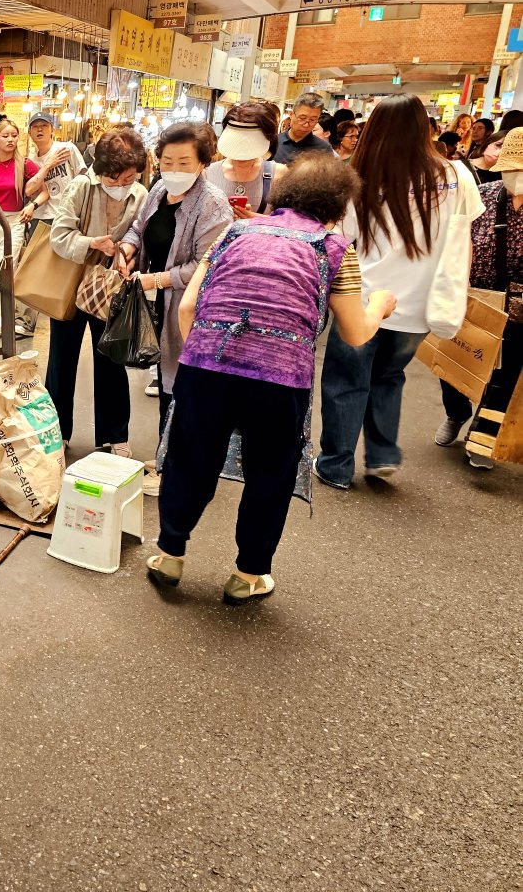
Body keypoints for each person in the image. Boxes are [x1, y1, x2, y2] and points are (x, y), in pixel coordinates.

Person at [147, 155, 397, 605]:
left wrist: (205, 357)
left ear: (281, 196)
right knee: (270, 474)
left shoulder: (234, 232)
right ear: (339, 208)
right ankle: (247, 574)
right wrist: (379, 303)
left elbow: (188, 308)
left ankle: (169, 553)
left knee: (190, 460)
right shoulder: (334, 248)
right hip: (278, 379)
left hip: (206, 365)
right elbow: (356, 332)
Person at [315, 93, 486, 488]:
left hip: (362, 300)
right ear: (422, 128)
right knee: (388, 377)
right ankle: (381, 458)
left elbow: (340, 241)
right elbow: (468, 239)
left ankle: (336, 466)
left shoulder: (359, 174)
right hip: (422, 305)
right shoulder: (456, 175)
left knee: (346, 381)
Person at [118, 122, 232, 493]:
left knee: (183, 385)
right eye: (168, 161)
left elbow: (206, 263)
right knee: (168, 384)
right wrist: (130, 248)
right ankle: (168, 459)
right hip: (158, 299)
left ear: (203, 162)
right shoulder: (159, 190)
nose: (175, 169)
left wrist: (157, 280)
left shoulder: (213, 203)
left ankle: (178, 471)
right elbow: (138, 227)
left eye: (185, 161)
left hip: (189, 308)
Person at [45, 127, 149, 454]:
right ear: (102, 170)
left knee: (111, 360)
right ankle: (57, 432)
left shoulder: (141, 194)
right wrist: (92, 242)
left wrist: (129, 254)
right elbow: (59, 236)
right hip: (72, 283)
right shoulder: (81, 187)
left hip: (113, 285)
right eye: (115, 178)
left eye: (129, 178)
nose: (122, 186)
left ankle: (114, 435)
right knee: (61, 361)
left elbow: (141, 235)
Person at [436, 128, 523, 469]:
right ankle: (456, 413)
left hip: (518, 308)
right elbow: (455, 240)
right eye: (512, 169)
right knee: (455, 362)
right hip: (475, 295)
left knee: (504, 376)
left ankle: (481, 440)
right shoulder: (482, 196)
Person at [0, 117, 47, 340]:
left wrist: (32, 206)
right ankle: (9, 317)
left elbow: (44, 192)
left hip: (14, 223)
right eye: (6, 136)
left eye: (14, 136)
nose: (10, 140)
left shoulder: (25, 165)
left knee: (2, 272)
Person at [205, 102, 281, 218]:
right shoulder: (207, 173)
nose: (241, 155)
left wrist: (256, 219)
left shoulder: (280, 174)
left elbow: (292, 224)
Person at [24, 112, 87, 224]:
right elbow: (29, 190)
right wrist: (47, 165)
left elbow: (83, 175)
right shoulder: (30, 161)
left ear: (52, 129)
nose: (40, 130)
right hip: (41, 216)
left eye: (44, 126)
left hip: (67, 213)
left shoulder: (66, 148)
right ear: (29, 132)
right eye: (35, 127)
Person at [273, 92, 333, 163]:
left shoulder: (324, 148)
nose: (306, 125)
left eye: (313, 120)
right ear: (291, 115)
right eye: (302, 118)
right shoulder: (273, 142)